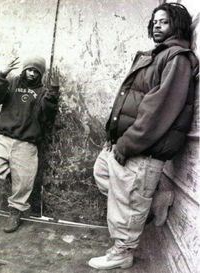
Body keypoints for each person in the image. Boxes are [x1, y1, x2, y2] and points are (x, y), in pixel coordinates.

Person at [88, 3, 198, 270]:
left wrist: (127, 144)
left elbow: (158, 111)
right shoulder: (155, 55)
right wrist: (113, 135)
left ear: (179, 25)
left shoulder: (177, 58)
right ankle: (156, 197)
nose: (157, 25)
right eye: (155, 21)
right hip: (125, 142)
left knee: (127, 204)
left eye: (164, 22)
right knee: (103, 174)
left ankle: (122, 254)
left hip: (142, 149)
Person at [0, 56, 60, 233]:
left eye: (36, 71)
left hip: (27, 143)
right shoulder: (12, 82)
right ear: (24, 69)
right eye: (29, 69)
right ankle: (12, 170)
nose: (32, 74)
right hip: (4, 138)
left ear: (41, 74)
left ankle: (15, 212)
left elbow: (47, 117)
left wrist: (53, 92)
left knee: (24, 183)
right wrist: (1, 75)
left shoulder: (42, 91)